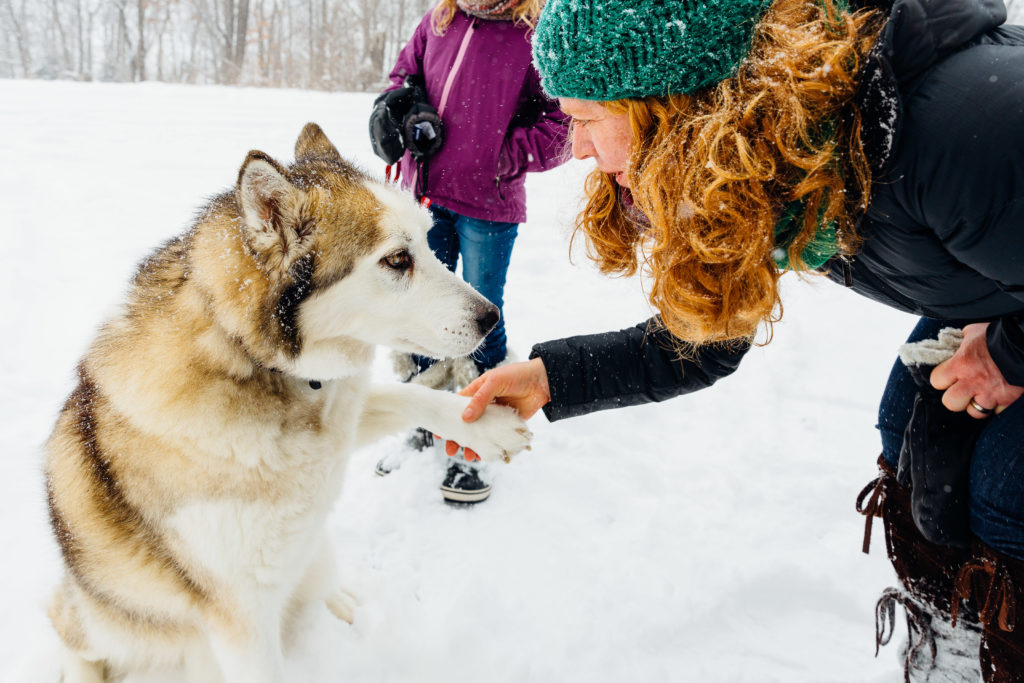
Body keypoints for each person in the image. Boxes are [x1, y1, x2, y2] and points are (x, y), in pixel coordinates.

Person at [452, 0, 1024, 677]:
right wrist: (551, 378)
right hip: (1001, 284)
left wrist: (1008, 353)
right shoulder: (766, 153)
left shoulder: (951, 127)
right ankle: (957, 645)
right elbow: (704, 340)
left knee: (1001, 487)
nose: (573, 147)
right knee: (910, 432)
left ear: (666, 104)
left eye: (585, 118)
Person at [370, 0, 569, 504]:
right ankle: (424, 412)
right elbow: (402, 76)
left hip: (489, 206)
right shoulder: (439, 19)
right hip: (427, 199)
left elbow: (562, 120)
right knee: (420, 306)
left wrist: (502, 156)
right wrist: (406, 107)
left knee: (481, 315)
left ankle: (477, 432)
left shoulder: (535, 32)